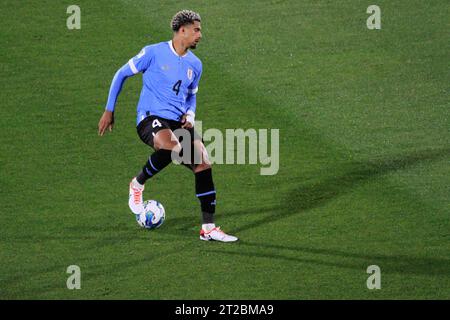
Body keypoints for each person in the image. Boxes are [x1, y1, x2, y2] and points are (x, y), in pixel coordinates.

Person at [97, 10, 238, 242]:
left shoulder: (196, 64)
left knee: (203, 163)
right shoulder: (153, 52)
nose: (200, 35)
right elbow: (121, 74)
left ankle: (208, 228)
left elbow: (192, 96)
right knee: (172, 147)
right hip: (149, 117)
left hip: (178, 121)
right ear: (182, 30)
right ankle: (138, 183)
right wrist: (109, 109)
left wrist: (191, 116)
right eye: (196, 30)